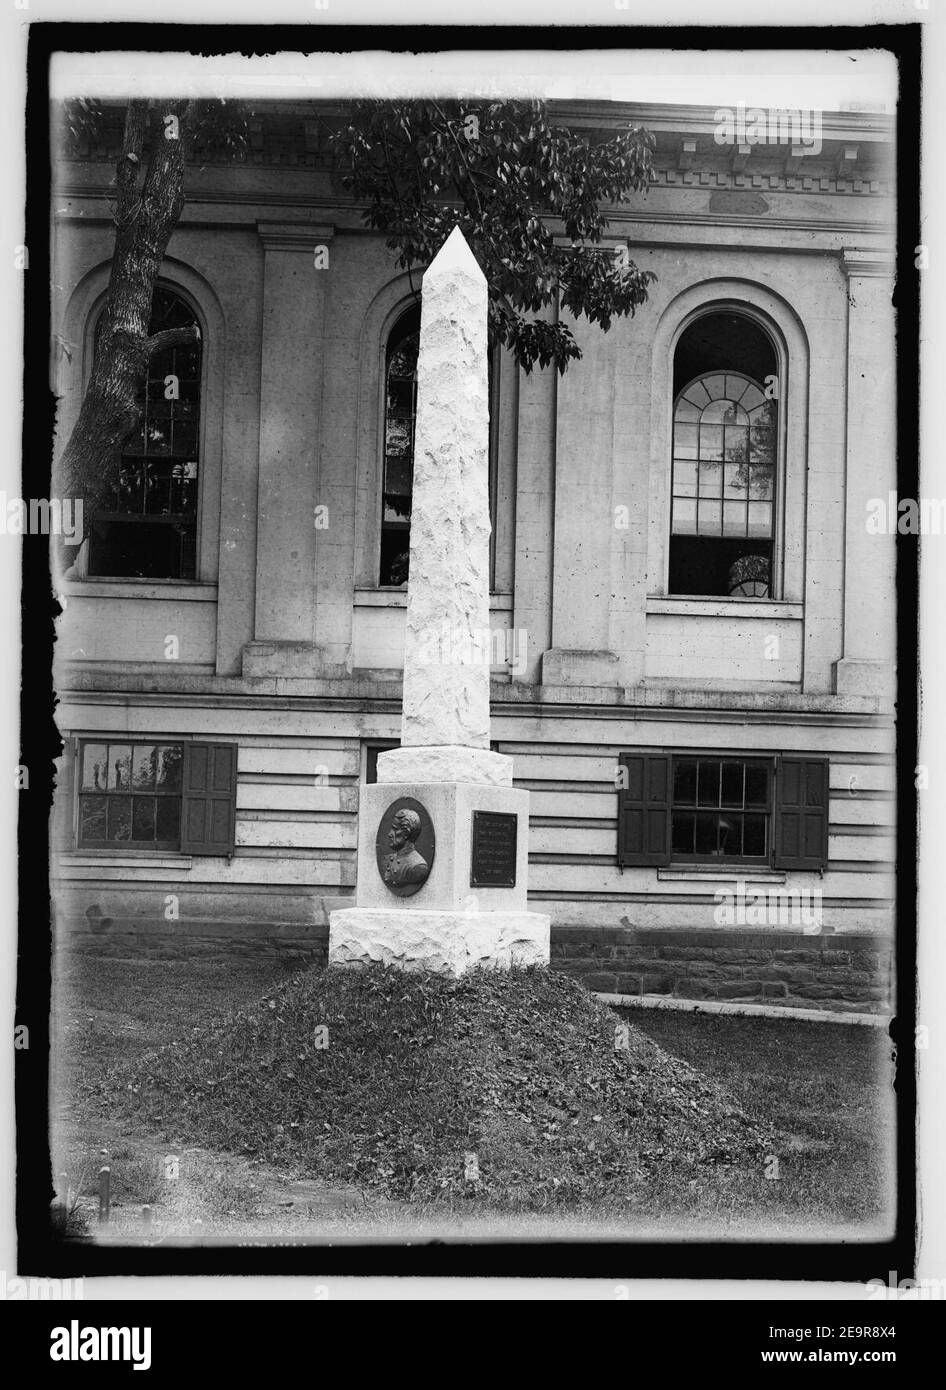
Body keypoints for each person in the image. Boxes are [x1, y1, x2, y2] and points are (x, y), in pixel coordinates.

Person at [381, 808, 429, 888]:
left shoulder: (418, 867)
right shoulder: (387, 860)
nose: (390, 834)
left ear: (406, 833)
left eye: (395, 829)